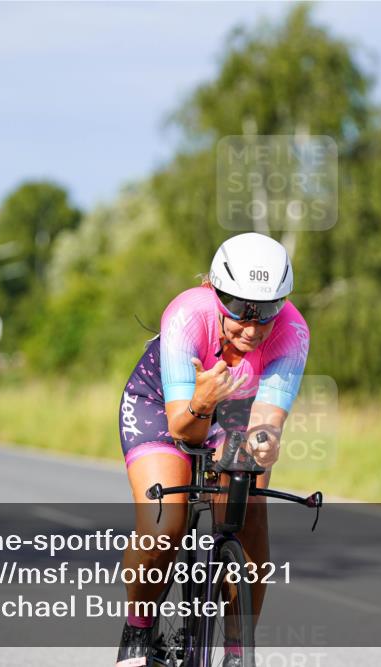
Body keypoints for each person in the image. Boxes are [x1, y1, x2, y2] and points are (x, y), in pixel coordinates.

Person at [115, 233, 310, 667]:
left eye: (269, 312)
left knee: (250, 513)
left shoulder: (293, 332)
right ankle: (138, 630)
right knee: (165, 520)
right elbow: (183, 427)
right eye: (240, 309)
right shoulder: (188, 314)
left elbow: (267, 422)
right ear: (216, 293)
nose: (253, 328)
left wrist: (263, 444)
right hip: (162, 408)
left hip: (235, 415)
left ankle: (239, 649)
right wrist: (201, 402)